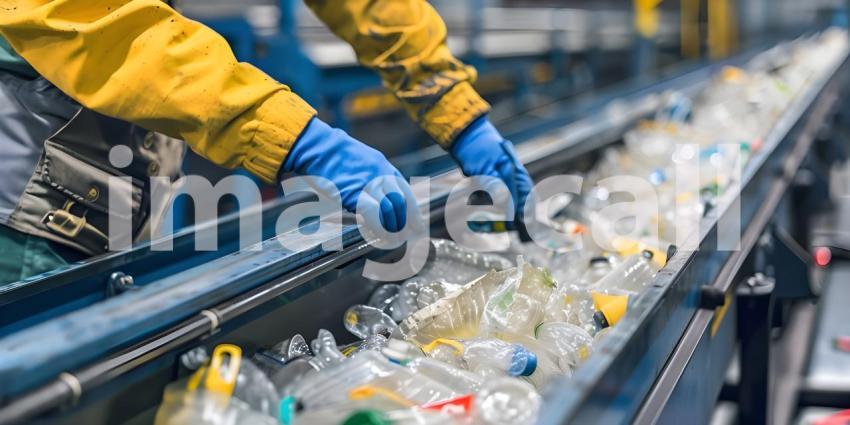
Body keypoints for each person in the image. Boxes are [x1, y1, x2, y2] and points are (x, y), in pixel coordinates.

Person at [0, 0, 533, 283]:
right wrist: (294, 139)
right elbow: (86, 20)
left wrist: (455, 110)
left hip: (105, 175)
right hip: (22, 189)